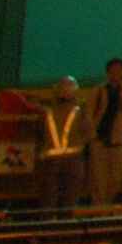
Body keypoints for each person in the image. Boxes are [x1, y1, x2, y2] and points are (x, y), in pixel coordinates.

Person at [82, 56, 122, 207]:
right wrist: (92, 135)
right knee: (98, 179)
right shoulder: (98, 91)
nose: (117, 74)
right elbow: (88, 113)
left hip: (118, 141)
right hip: (99, 140)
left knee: (115, 179)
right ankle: (98, 207)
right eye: (114, 70)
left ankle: (108, 205)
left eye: (120, 71)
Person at [34, 78, 89, 210]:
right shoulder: (80, 112)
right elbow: (88, 134)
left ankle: (48, 222)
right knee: (70, 201)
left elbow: (39, 135)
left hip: (50, 162)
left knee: (48, 200)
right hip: (73, 161)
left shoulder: (46, 112)